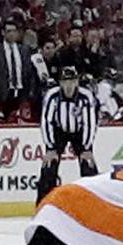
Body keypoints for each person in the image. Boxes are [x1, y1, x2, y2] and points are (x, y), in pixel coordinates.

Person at [36, 65, 99, 204]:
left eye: (72, 81)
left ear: (77, 82)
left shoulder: (85, 96)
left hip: (79, 132)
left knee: (89, 166)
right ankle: (43, 205)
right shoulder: (52, 96)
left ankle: (93, 204)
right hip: (59, 131)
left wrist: (86, 148)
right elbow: (46, 121)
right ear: (60, 83)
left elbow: (90, 123)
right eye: (65, 82)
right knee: (48, 166)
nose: (69, 85)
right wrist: (51, 147)